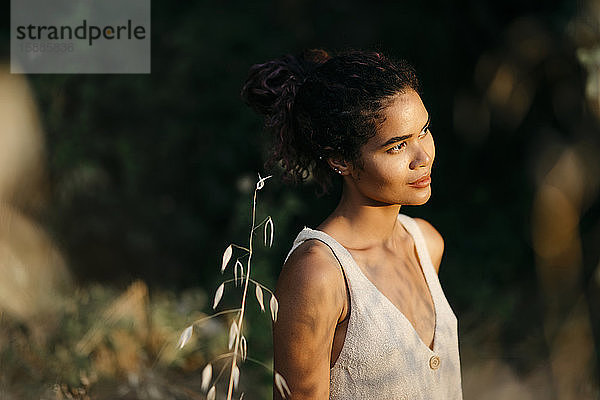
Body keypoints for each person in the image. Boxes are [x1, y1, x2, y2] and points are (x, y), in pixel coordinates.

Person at [241, 49, 462, 400]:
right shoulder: (319, 273)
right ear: (341, 160)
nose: (422, 158)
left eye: (424, 131)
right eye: (397, 146)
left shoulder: (426, 243)